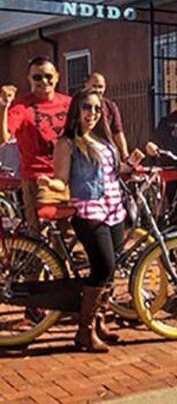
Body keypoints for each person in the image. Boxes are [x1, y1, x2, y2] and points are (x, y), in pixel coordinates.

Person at [37, 90, 128, 352]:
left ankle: (99, 321)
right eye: (87, 107)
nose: (93, 113)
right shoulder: (68, 142)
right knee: (102, 268)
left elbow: (114, 172)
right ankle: (84, 331)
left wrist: (133, 165)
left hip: (114, 210)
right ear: (76, 109)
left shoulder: (102, 139)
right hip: (89, 210)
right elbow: (62, 178)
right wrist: (50, 182)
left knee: (111, 270)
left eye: (98, 109)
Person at [0, 56, 72, 231]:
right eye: (37, 77)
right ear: (29, 79)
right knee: (39, 234)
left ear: (57, 76)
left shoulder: (68, 103)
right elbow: (3, 138)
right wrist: (4, 106)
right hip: (37, 178)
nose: (44, 81)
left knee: (68, 232)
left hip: (67, 176)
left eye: (48, 76)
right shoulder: (22, 106)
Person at [85, 72, 129, 161]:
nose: (97, 90)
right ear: (86, 85)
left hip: (107, 150)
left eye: (100, 87)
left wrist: (125, 154)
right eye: (94, 86)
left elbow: (118, 131)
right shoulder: (80, 105)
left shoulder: (110, 106)